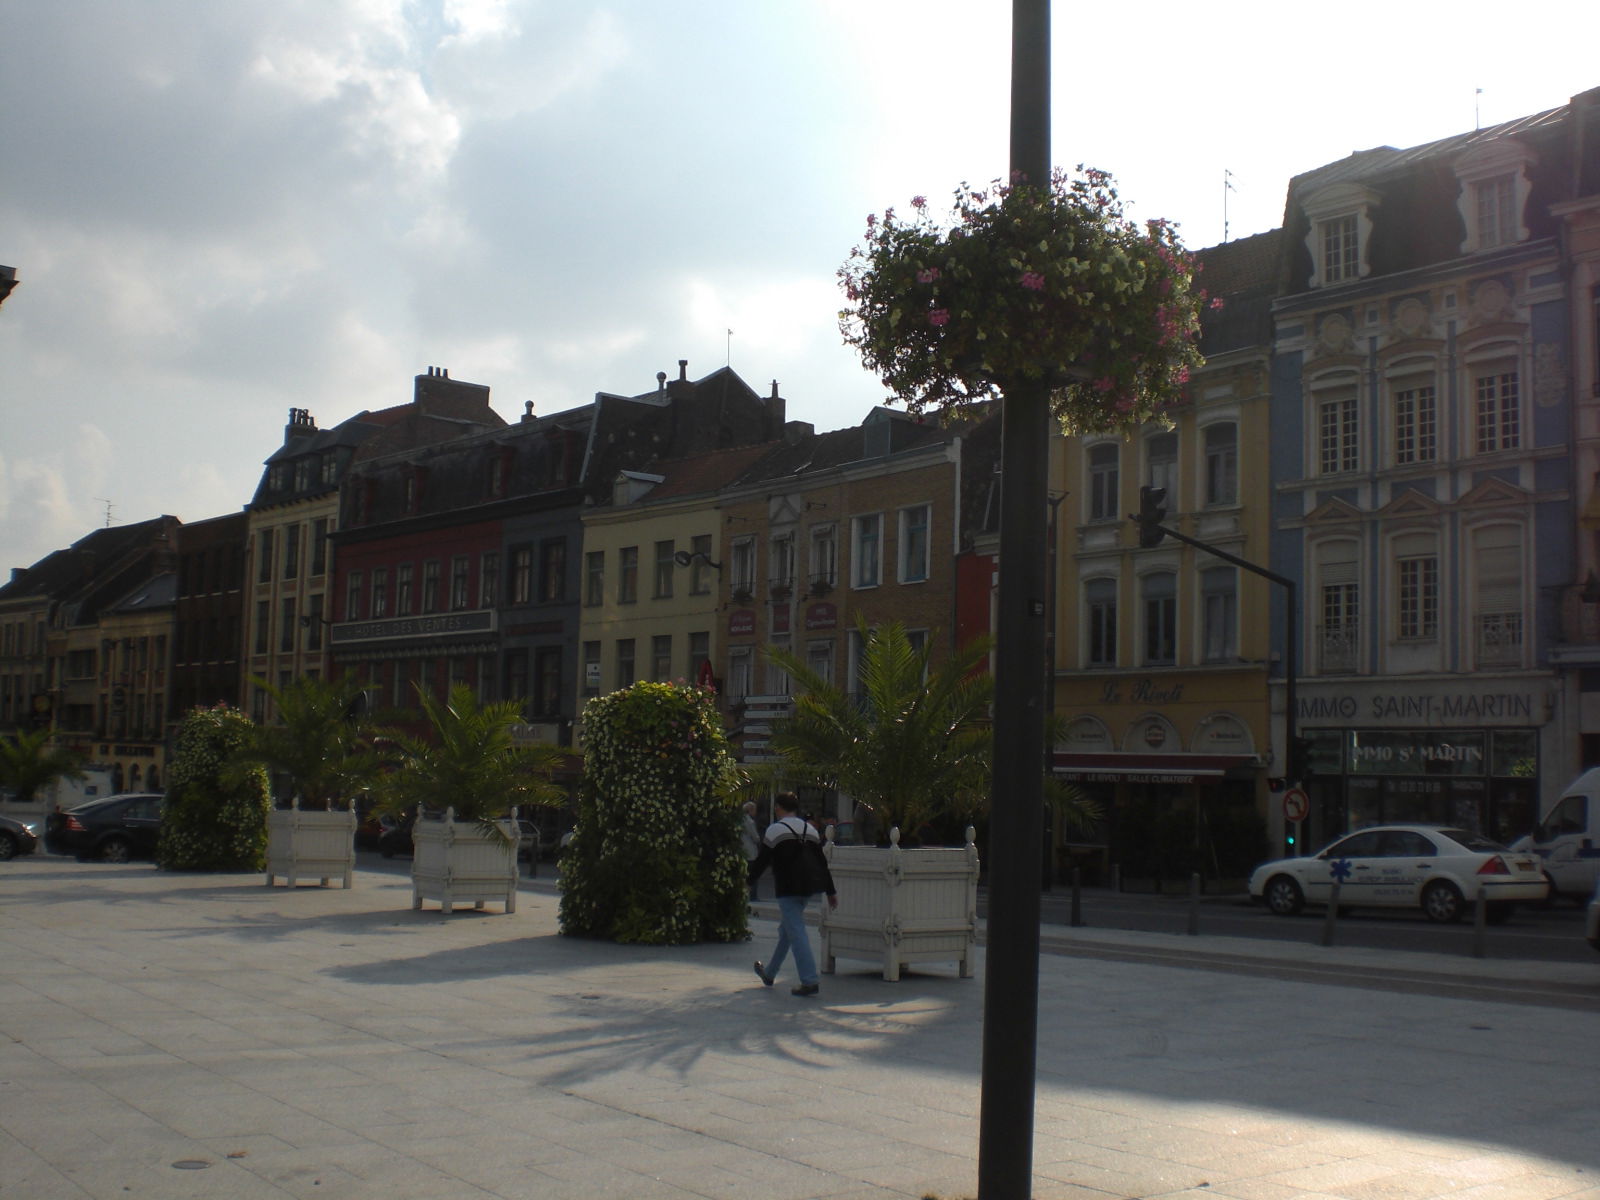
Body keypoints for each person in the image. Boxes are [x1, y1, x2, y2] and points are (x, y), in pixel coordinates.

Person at [748, 792, 837, 997]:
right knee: (787, 931)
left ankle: (809, 980)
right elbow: (822, 864)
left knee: (796, 931)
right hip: (808, 887)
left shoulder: (775, 830)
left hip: (787, 887)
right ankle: (769, 973)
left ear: (778, 807)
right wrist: (831, 891)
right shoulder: (811, 830)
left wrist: (749, 882)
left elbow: (762, 860)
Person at [740, 801, 762, 901]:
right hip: (750, 851)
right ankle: (753, 895)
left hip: (742, 850)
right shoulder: (749, 821)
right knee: (753, 873)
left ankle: (744, 893)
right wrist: (759, 839)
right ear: (750, 810)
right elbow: (755, 836)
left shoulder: (739, 820)